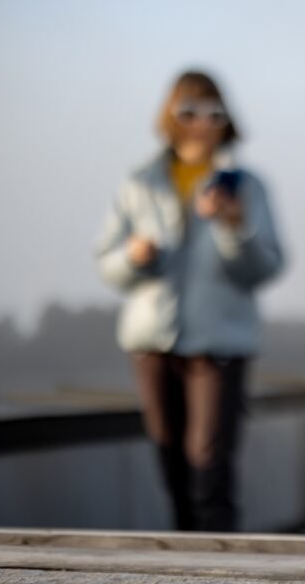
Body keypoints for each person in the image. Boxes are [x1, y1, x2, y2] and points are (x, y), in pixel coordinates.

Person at [95, 70, 285, 531]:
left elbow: (265, 268)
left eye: (214, 112)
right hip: (152, 342)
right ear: (171, 116)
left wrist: (234, 227)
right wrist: (134, 256)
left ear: (227, 120)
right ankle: (184, 580)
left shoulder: (246, 186)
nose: (202, 122)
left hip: (220, 344)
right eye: (189, 111)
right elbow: (108, 265)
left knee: (209, 467)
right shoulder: (139, 182)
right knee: (172, 465)